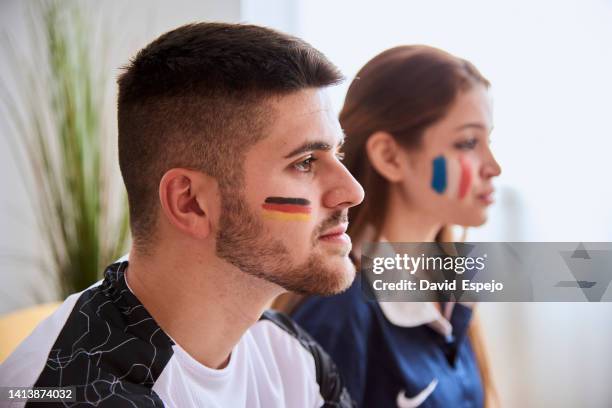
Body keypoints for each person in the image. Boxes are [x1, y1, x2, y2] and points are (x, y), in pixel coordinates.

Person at [0, 22, 364, 407]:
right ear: (190, 202)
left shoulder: (286, 353)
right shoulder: (82, 394)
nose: (353, 192)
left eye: (336, 154)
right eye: (305, 162)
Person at [288, 45, 502, 407]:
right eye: (468, 142)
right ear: (389, 156)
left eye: (488, 141)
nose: (493, 166)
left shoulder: (453, 288)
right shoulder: (338, 314)